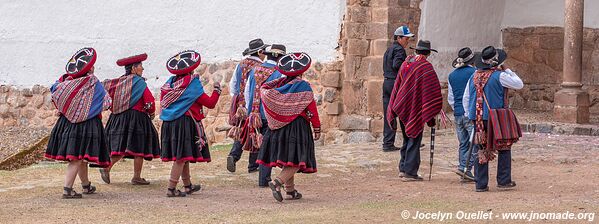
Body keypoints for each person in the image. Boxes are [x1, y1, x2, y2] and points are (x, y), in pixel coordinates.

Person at [45, 48, 111, 199]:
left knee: (81, 158)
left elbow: (56, 96)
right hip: (86, 125)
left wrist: (70, 109)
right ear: (89, 68)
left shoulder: (64, 81)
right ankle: (67, 190)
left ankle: (86, 185)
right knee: (76, 158)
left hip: (66, 123)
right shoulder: (92, 82)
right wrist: (90, 107)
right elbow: (107, 102)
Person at [257, 52, 321, 202]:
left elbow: (264, 91)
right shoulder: (303, 86)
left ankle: (290, 191)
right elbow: (311, 109)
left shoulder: (277, 85)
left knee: (288, 159)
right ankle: (277, 182)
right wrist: (316, 128)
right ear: (303, 71)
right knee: (299, 159)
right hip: (297, 127)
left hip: (278, 128)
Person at [160, 50, 221, 197]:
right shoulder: (191, 85)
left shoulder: (169, 84)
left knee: (184, 155)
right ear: (192, 69)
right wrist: (217, 90)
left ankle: (187, 186)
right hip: (183, 123)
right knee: (181, 157)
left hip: (169, 123)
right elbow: (210, 103)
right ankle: (171, 188)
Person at [463, 46, 523, 192]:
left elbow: (466, 98)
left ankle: (481, 184)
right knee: (503, 145)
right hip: (495, 116)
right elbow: (519, 84)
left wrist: (470, 114)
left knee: (481, 148)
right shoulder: (500, 76)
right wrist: (507, 69)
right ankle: (503, 180)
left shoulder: (474, 76)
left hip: (477, 118)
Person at [99, 53, 160, 185]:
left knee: (122, 146)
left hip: (118, 118)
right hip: (136, 118)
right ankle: (132, 175)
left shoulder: (120, 82)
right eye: (140, 66)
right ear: (133, 68)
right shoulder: (138, 82)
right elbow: (149, 101)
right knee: (139, 147)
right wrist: (151, 112)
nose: (142, 69)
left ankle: (112, 168)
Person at [387, 40, 443, 181]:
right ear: (429, 53)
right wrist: (431, 113)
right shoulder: (426, 67)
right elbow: (432, 91)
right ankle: (410, 172)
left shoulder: (406, 63)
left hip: (402, 106)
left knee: (407, 137)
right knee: (414, 138)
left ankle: (403, 167)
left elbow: (398, 85)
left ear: (417, 50)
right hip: (415, 107)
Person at [241, 44, 286, 187]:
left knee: (259, 142)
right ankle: (264, 178)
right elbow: (280, 95)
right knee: (268, 146)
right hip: (269, 114)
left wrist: (251, 111)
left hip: (254, 114)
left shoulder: (255, 70)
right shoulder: (279, 73)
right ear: (279, 57)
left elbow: (247, 91)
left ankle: (257, 170)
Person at [226, 38, 268, 173]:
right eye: (264, 51)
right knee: (256, 131)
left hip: (239, 105)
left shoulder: (241, 64)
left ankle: (233, 155)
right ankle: (253, 165)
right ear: (260, 52)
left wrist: (238, 101)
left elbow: (233, 85)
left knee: (242, 130)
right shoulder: (260, 67)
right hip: (253, 103)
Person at [381, 26, 414, 152]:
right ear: (399, 38)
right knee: (405, 112)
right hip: (396, 84)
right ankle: (410, 140)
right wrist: (408, 64)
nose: (408, 41)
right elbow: (397, 65)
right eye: (406, 38)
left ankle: (387, 143)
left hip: (387, 83)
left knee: (389, 114)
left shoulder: (389, 49)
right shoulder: (399, 50)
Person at [447, 47, 477, 181]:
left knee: (463, 143)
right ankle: (465, 168)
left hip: (458, 113)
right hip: (470, 112)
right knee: (474, 142)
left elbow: (450, 98)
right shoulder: (474, 73)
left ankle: (463, 167)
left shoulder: (452, 75)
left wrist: (456, 109)